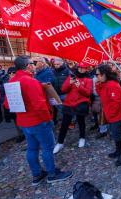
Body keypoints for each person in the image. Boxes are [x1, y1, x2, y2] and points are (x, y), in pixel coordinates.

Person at [5, 56, 72, 184]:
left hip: (24, 122)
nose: (34, 65)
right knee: (47, 148)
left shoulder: (12, 80)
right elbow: (39, 105)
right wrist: (48, 120)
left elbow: (7, 105)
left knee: (32, 148)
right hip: (38, 121)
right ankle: (52, 174)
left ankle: (37, 174)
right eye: (33, 63)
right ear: (28, 66)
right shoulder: (30, 81)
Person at [53, 63, 92, 153]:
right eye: (80, 68)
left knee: (81, 121)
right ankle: (60, 142)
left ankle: (82, 137)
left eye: (84, 68)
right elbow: (63, 89)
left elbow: (88, 93)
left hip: (80, 103)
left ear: (86, 69)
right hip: (69, 103)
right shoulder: (71, 77)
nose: (82, 70)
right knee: (65, 123)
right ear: (78, 68)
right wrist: (69, 83)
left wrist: (79, 86)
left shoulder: (88, 80)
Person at [96, 64, 121, 166]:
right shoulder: (105, 83)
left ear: (105, 74)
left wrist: (111, 114)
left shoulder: (112, 85)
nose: (97, 76)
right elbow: (100, 94)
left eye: (98, 74)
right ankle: (118, 151)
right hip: (110, 115)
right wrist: (98, 84)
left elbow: (116, 102)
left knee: (117, 135)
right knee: (114, 134)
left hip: (115, 115)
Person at [51, 58, 70, 126]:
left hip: (65, 93)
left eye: (57, 64)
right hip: (56, 93)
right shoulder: (52, 71)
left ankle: (69, 122)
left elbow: (72, 81)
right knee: (60, 109)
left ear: (62, 64)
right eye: (55, 64)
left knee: (67, 108)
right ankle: (65, 121)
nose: (56, 65)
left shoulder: (67, 71)